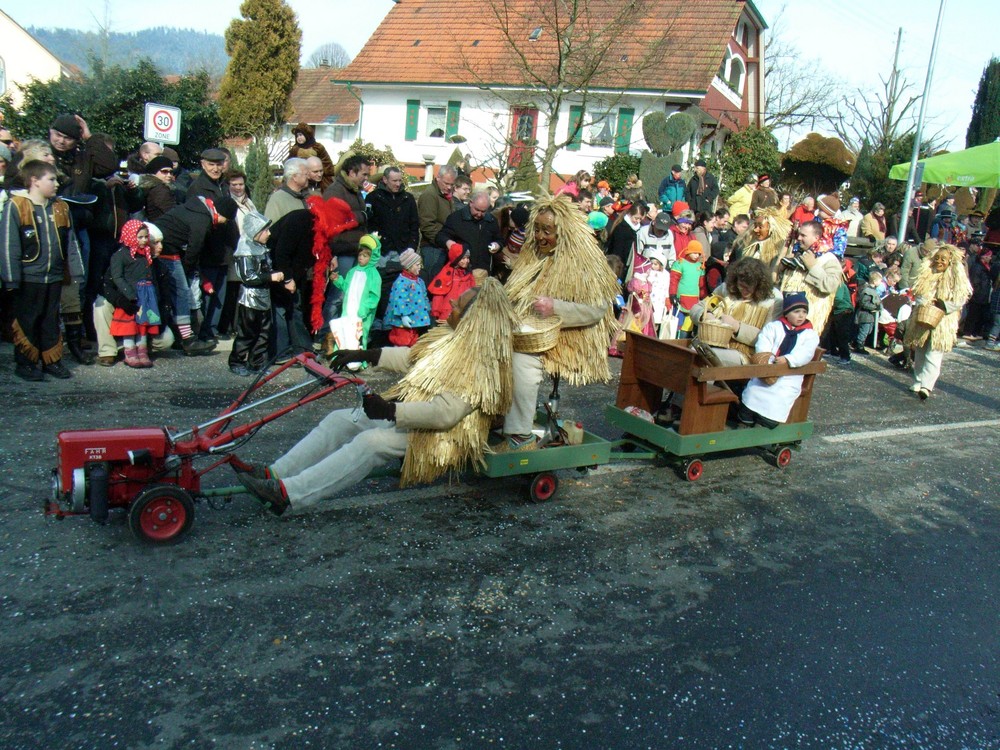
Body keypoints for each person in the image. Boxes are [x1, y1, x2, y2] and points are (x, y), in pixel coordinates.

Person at [233, 280, 517, 514]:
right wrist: (366, 354)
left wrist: (390, 411)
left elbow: (445, 415)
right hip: (417, 418)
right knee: (339, 421)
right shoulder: (452, 338)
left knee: (373, 442)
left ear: (473, 321)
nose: (450, 307)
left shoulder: (483, 363)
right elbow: (414, 357)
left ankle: (289, 494)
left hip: (444, 435)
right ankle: (275, 474)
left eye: (458, 306)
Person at [500, 196, 620, 450]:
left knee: (522, 360)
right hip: (530, 330)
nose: (540, 236)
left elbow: (597, 310)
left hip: (567, 337)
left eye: (548, 230)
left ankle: (519, 432)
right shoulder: (532, 254)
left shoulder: (586, 263)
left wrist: (557, 308)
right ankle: (492, 415)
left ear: (563, 231)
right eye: (537, 229)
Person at [1, 160, 84, 380]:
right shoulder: (17, 206)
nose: (56, 184)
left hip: (54, 276)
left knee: (50, 320)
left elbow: (71, 242)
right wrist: (11, 278)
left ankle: (51, 361)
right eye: (51, 179)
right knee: (28, 321)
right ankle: (26, 363)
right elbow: (9, 244)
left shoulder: (60, 207)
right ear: (34, 181)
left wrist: (76, 272)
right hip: (29, 278)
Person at [738, 292, 820, 428]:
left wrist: (789, 359)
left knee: (780, 395)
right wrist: (768, 360)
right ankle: (747, 418)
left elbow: (806, 353)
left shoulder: (809, 335)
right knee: (754, 390)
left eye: (804, 312)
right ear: (786, 313)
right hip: (768, 371)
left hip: (789, 376)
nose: (801, 315)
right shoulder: (774, 327)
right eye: (796, 311)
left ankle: (765, 422)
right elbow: (764, 342)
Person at [903, 244, 972, 399]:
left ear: (950, 262)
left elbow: (961, 298)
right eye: (937, 258)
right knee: (920, 349)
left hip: (943, 322)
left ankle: (927, 386)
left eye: (943, 259)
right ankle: (918, 380)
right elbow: (918, 292)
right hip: (924, 316)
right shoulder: (928, 274)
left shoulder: (956, 278)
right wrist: (925, 302)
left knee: (934, 352)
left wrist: (945, 305)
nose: (939, 261)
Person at [690, 257, 782, 365]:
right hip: (714, 344)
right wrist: (706, 315)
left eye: (748, 288)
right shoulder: (725, 290)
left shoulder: (773, 300)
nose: (743, 290)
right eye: (741, 286)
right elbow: (697, 308)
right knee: (693, 351)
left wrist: (736, 327)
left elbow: (769, 337)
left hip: (745, 355)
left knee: (708, 355)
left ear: (759, 286)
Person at [228, 211, 279, 376]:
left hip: (264, 295)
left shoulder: (262, 248)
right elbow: (248, 277)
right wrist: (271, 276)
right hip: (250, 298)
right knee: (247, 332)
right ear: (256, 231)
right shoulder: (245, 251)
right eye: (265, 230)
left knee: (264, 332)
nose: (269, 233)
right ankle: (237, 361)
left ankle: (256, 363)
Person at [106, 220, 160, 368]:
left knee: (143, 324)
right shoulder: (120, 255)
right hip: (131, 295)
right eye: (140, 237)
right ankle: (129, 352)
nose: (144, 240)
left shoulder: (146, 255)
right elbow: (117, 277)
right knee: (129, 326)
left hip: (146, 294)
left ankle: (142, 351)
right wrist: (129, 294)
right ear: (130, 236)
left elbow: (151, 276)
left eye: (145, 237)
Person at [776, 220, 844, 335]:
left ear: (816, 237)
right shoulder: (796, 256)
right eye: (798, 234)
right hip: (784, 317)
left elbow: (830, 285)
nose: (798, 238)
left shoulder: (829, 259)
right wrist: (781, 268)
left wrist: (812, 267)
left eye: (803, 235)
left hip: (807, 322)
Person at [328, 233, 382, 355]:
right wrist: (338, 280)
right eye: (360, 254)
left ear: (372, 256)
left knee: (359, 336)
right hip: (348, 310)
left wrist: (364, 309)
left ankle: (358, 359)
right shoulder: (353, 271)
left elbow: (374, 296)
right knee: (345, 332)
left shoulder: (374, 275)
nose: (361, 258)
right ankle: (341, 356)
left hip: (362, 313)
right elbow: (347, 287)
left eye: (365, 255)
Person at [435, 189, 503, 273]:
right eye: (477, 210)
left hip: (482, 270)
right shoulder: (456, 218)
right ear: (471, 203)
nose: (479, 214)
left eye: (483, 211)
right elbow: (440, 237)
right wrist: (448, 242)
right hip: (460, 270)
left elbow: (500, 240)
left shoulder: (491, 220)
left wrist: (498, 245)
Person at [366, 166, 419, 255]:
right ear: (385, 180)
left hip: (404, 250)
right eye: (394, 181)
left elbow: (414, 224)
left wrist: (412, 247)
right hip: (380, 250)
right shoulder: (373, 198)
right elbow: (369, 224)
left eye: (400, 180)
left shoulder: (408, 198)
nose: (398, 184)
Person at [384, 248, 431, 347]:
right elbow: (400, 300)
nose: (420, 267)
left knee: (413, 341)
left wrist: (427, 308)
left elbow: (424, 295)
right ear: (409, 266)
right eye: (417, 265)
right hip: (401, 321)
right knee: (402, 341)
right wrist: (404, 315)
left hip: (415, 320)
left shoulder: (419, 281)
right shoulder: (402, 282)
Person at [669, 240, 707, 336]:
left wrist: (704, 296)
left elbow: (702, 284)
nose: (697, 255)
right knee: (677, 322)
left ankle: (685, 340)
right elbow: (674, 280)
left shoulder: (700, 267)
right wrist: (672, 294)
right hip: (680, 299)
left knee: (689, 324)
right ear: (688, 251)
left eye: (699, 253)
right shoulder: (680, 263)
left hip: (694, 299)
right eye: (694, 253)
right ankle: (676, 339)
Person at [428, 243, 475, 322]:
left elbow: (472, 293)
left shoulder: (469, 275)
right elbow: (439, 294)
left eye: (468, 258)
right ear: (456, 259)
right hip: (447, 313)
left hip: (463, 314)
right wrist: (436, 311)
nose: (467, 261)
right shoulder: (446, 274)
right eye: (463, 258)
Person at [853, 270, 883, 353]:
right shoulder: (867, 291)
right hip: (865, 315)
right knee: (864, 331)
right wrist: (874, 307)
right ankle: (859, 346)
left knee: (868, 330)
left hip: (870, 316)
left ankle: (859, 344)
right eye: (880, 280)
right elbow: (864, 303)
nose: (881, 282)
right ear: (874, 281)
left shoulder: (872, 290)